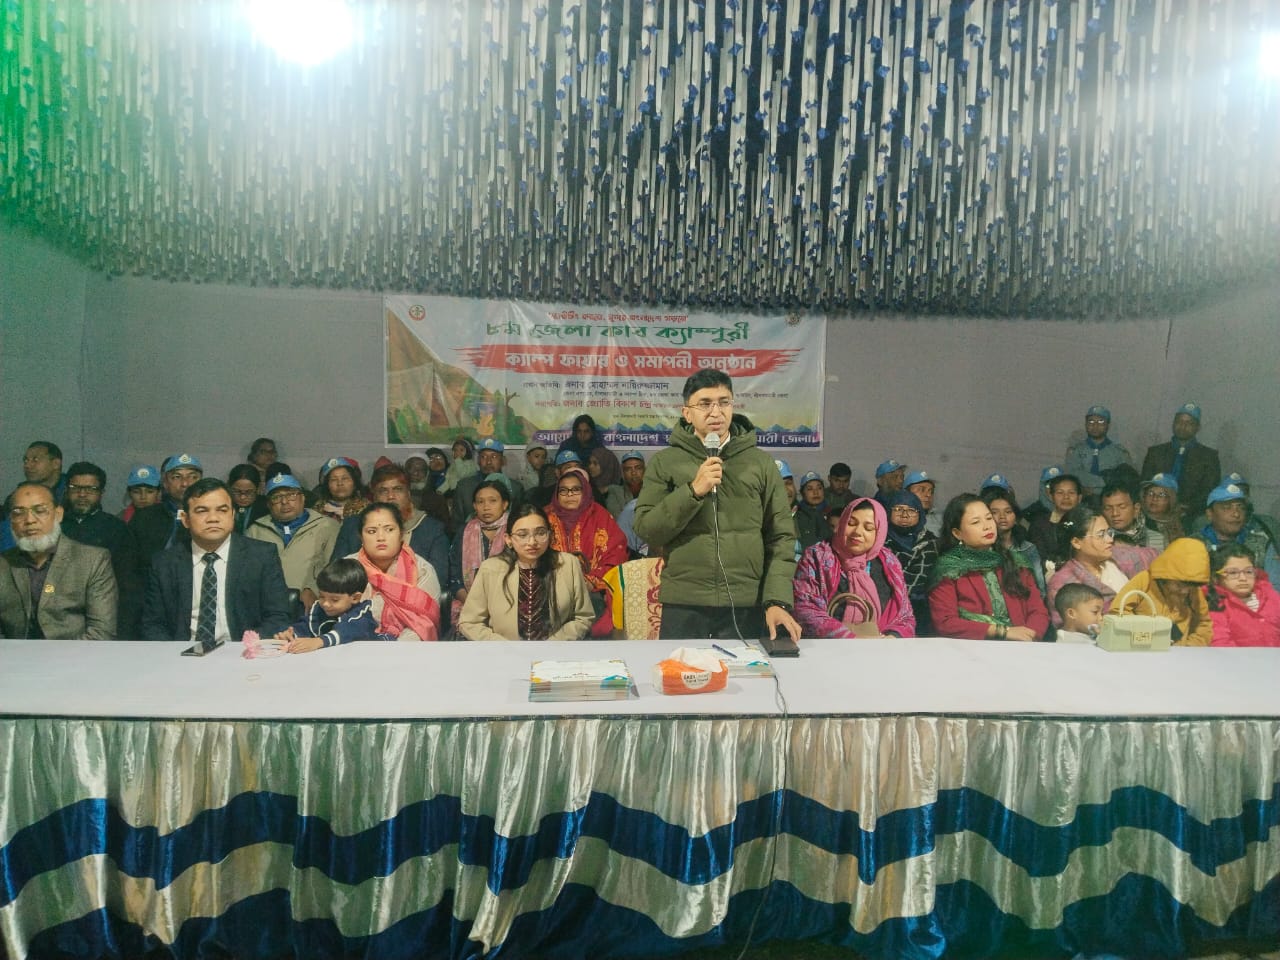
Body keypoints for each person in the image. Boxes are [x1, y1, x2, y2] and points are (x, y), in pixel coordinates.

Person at [634, 369, 801, 642]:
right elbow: (647, 529)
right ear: (687, 413)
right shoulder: (665, 462)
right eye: (705, 403)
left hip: (746, 602)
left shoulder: (760, 464)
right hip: (685, 602)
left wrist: (776, 600)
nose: (716, 412)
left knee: (746, 671)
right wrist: (692, 491)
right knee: (682, 670)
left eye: (724, 402)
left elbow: (781, 537)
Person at [140, 478, 292, 643]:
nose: (213, 518)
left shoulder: (261, 556)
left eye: (222, 510)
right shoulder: (164, 562)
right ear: (185, 519)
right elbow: (153, 624)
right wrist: (173, 654)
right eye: (202, 511)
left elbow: (278, 616)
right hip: (182, 652)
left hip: (242, 650)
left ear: (232, 515)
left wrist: (245, 647)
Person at [456, 504, 596, 640]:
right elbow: (469, 622)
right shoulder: (491, 569)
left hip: (556, 651)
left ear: (550, 535)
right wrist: (503, 647)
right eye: (522, 535)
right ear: (508, 539)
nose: (532, 542)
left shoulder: (567, 564)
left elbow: (583, 617)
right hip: (504, 651)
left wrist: (554, 644)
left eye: (540, 533)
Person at [1, 482, 117, 640]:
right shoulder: (4, 563)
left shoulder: (93, 560)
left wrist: (57, 656)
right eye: (18, 513)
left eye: (40, 511)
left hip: (75, 653)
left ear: (58, 514)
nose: (29, 520)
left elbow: (101, 632)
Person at [928, 494, 1050, 642]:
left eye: (988, 518)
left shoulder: (1017, 562)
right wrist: (1002, 632)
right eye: (976, 522)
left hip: (1022, 647)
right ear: (957, 533)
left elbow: (1038, 611)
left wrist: (1029, 636)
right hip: (970, 649)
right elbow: (945, 622)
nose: (987, 526)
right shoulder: (948, 568)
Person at [793, 497, 915, 638]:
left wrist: (892, 637)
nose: (857, 531)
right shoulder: (816, 557)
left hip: (881, 646)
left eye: (868, 528)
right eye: (851, 523)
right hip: (829, 646)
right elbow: (805, 609)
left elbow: (905, 615)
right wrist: (850, 638)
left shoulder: (889, 562)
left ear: (879, 532)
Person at [329, 464, 449, 604]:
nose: (391, 496)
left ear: (408, 493)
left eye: (398, 489)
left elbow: (437, 579)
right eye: (383, 491)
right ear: (374, 496)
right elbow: (336, 575)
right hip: (359, 604)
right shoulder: (353, 525)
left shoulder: (432, 529)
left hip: (411, 606)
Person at [60, 461, 143, 636]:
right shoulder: (54, 527)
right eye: (75, 488)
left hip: (105, 615)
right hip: (59, 616)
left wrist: (124, 633)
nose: (82, 494)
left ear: (101, 493)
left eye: (90, 489)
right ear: (66, 490)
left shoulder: (117, 529)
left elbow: (128, 587)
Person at [545, 465, 628, 635]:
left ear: (585, 491)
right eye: (563, 490)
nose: (569, 495)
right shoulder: (544, 517)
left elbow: (616, 554)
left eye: (576, 490)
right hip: (550, 592)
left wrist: (591, 581)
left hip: (592, 592)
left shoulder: (600, 516)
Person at [1046, 504, 1156, 627]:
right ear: (1076, 542)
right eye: (1101, 535)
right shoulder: (1062, 583)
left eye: (1109, 532)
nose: (1110, 539)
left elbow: (1157, 558)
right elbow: (1067, 628)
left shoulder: (1120, 556)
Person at [345, 502, 441, 641]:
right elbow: (333, 612)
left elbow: (423, 625)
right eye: (372, 531)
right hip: (354, 643)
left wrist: (393, 650)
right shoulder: (346, 568)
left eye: (389, 529)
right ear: (361, 536)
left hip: (406, 647)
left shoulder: (422, 570)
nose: (381, 537)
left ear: (401, 534)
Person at [246, 473, 339, 615]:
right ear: (268, 504)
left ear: (303, 498)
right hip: (266, 607)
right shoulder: (255, 531)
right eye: (276, 497)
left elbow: (334, 565)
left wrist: (313, 589)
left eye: (291, 495)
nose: (284, 502)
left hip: (314, 605)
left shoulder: (327, 526)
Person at [276, 558, 390, 653]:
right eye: (321, 596)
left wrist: (319, 641)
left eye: (334, 600)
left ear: (355, 598)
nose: (325, 603)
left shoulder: (361, 614)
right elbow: (306, 626)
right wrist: (291, 634)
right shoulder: (320, 609)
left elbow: (348, 631)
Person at [1113, 538, 1212, 646]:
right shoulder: (1144, 581)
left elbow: (1204, 624)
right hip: (1141, 647)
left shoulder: (1193, 588)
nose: (1185, 591)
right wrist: (1148, 634)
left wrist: (1189, 646)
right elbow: (1117, 611)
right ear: (1166, 575)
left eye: (1189, 587)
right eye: (1179, 585)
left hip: (1180, 652)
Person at [1141, 402, 1221, 520]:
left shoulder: (1209, 457)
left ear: (1198, 427)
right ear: (1173, 423)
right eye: (1179, 421)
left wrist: (1187, 509)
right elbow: (1144, 485)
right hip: (1154, 512)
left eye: (1189, 423)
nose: (1183, 426)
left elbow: (1210, 491)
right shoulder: (1155, 452)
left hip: (1192, 516)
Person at [448, 479, 511, 626]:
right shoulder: (465, 531)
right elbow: (454, 576)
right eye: (480, 502)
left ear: (505, 504)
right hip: (469, 604)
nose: (486, 507)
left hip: (509, 605)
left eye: (493, 501)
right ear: (474, 506)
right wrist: (473, 604)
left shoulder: (515, 530)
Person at [1195, 483, 1280, 583]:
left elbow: (1275, 585)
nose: (1236, 514)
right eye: (1227, 507)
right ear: (1210, 514)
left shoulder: (1262, 542)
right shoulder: (1195, 545)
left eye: (1241, 507)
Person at [131, 453, 204, 568]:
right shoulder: (144, 517)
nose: (185, 483)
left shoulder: (210, 517)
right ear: (165, 483)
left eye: (193, 477)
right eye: (177, 477)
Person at [884, 490, 940, 634]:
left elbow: (924, 582)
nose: (904, 515)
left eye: (911, 510)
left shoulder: (931, 544)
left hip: (920, 611)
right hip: (884, 608)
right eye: (898, 509)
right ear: (888, 512)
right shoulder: (879, 542)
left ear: (920, 514)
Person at [1205, 544, 1280, 648]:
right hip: (1238, 658)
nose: (1243, 578)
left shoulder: (1270, 596)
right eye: (1233, 573)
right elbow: (1221, 643)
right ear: (1215, 578)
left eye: (1249, 571)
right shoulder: (1215, 604)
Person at [982, 489, 1047, 599]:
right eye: (995, 512)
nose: (1002, 516)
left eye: (1008, 512)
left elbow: (1040, 589)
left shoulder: (1028, 548)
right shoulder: (982, 549)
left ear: (1016, 517)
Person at [1064, 405, 1133, 495]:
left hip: (1110, 497)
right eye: (1091, 421)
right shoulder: (1076, 451)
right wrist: (1104, 480)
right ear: (1086, 424)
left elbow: (1126, 480)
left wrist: (1095, 490)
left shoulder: (1119, 452)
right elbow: (1071, 475)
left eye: (1101, 422)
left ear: (1108, 425)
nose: (1095, 425)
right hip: (1080, 498)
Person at [454, 439, 524, 523]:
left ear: (503, 461)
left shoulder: (515, 488)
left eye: (494, 457)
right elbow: (456, 524)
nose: (488, 462)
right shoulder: (464, 486)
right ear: (478, 461)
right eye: (483, 457)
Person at [1026, 471, 1081, 563]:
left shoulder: (1088, 522)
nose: (1066, 497)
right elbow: (1039, 558)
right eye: (1060, 493)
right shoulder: (1039, 524)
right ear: (1051, 496)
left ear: (1079, 498)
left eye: (1071, 492)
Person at [1101, 481, 1164, 551]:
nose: (1115, 513)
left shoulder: (1158, 540)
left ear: (1136, 509)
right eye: (1108, 508)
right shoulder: (1096, 540)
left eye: (1122, 507)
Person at [315, 457, 368, 523]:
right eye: (334, 479)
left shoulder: (367, 510)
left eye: (345, 478)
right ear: (327, 485)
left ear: (354, 483)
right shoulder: (317, 511)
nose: (340, 483)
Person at [1140, 473, 1185, 546]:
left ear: (1171, 499)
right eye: (1150, 493)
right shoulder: (1136, 520)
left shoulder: (1182, 522)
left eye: (1161, 495)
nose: (1154, 498)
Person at [226, 464, 269, 534]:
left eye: (249, 492)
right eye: (237, 491)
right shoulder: (222, 505)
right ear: (229, 486)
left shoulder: (267, 507)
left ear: (258, 488)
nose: (242, 497)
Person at [586, 447, 628, 517]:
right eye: (590, 463)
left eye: (595, 463)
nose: (591, 466)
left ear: (606, 464)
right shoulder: (587, 485)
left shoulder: (622, 487)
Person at [794, 471, 830, 551]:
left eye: (819, 488)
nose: (816, 492)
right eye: (810, 489)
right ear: (802, 493)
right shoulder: (796, 515)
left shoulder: (831, 513)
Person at [904, 469, 940, 537]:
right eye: (921, 490)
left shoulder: (941, 519)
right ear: (906, 493)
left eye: (931, 491)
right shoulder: (897, 519)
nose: (928, 495)